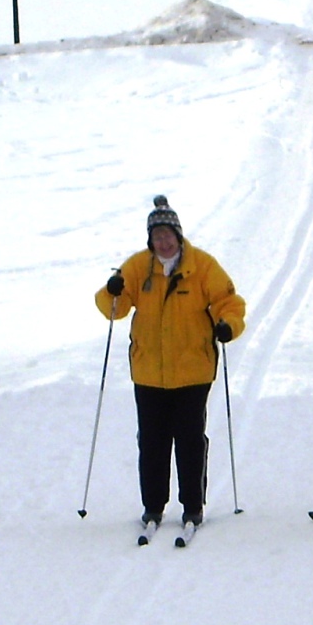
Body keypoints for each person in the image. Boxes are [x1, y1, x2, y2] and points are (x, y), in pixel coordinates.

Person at [96, 196, 246, 530]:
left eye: (168, 235)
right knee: (152, 441)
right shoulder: (138, 267)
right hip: (148, 371)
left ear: (178, 235)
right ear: (150, 240)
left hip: (194, 370)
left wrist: (228, 325)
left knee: (190, 439)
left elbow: (228, 302)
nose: (163, 242)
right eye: (157, 237)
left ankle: (193, 505)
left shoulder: (202, 266)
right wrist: (111, 291)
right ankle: (153, 506)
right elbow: (115, 310)